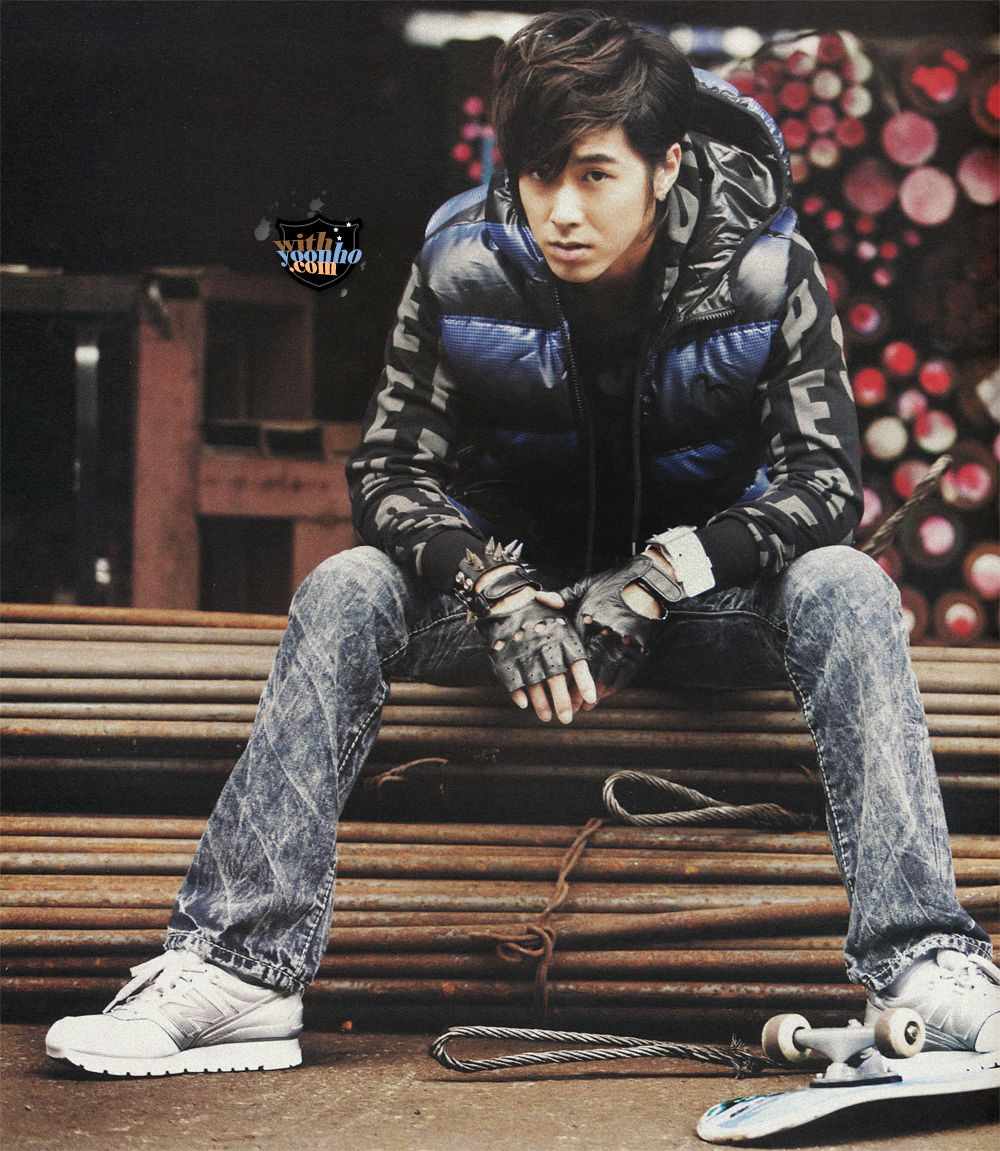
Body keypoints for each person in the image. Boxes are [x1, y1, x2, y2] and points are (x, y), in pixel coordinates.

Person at [46, 10, 998, 1077]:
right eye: (538, 175)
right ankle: (240, 970)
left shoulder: (770, 268)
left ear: (665, 164)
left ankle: (924, 965)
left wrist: (666, 573)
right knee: (348, 584)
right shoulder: (461, 258)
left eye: (594, 175)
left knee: (845, 582)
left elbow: (824, 485)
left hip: (702, 606)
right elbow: (388, 472)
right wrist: (493, 588)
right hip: (515, 612)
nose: (560, 210)